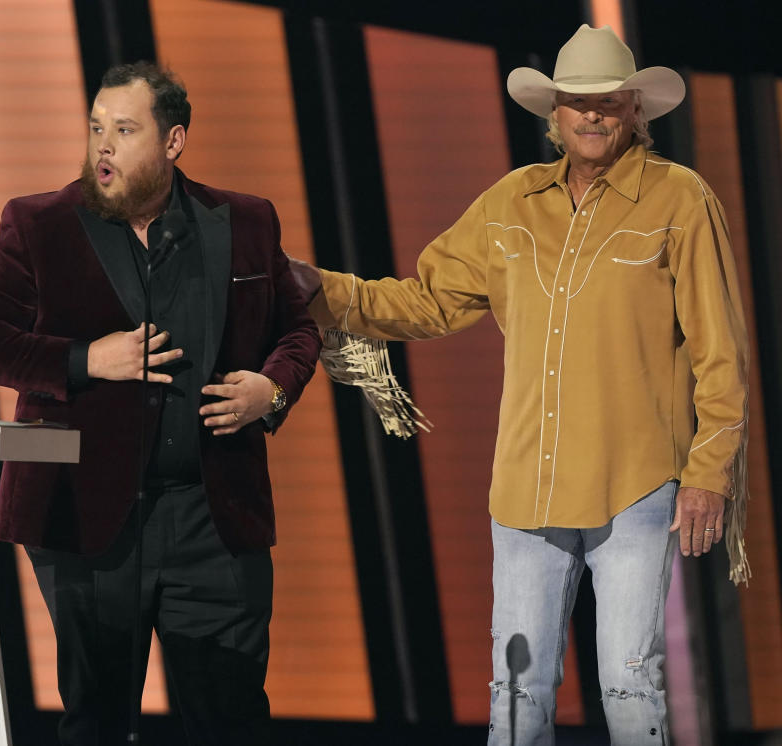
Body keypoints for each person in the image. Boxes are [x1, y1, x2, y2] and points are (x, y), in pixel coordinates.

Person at [291, 25, 749, 745]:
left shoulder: (679, 200)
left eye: (607, 101)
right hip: (527, 488)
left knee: (629, 681)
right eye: (576, 102)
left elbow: (720, 352)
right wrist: (321, 288)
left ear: (634, 108)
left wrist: (709, 474)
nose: (591, 115)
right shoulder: (511, 202)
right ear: (555, 112)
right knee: (517, 686)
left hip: (636, 485)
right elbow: (429, 300)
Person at [0, 61, 320, 745]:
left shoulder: (243, 221)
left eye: (124, 130)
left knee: (232, 721)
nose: (104, 147)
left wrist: (271, 388)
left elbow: (298, 330)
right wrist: (87, 359)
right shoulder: (39, 223)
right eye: (97, 127)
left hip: (213, 519)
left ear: (174, 141)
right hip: (86, 520)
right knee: (97, 721)